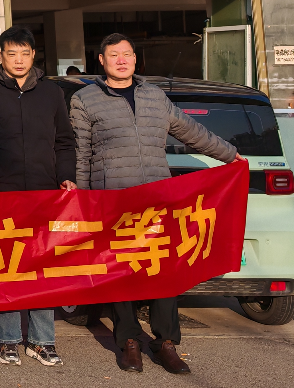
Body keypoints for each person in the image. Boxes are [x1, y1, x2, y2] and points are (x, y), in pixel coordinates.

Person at [70, 33, 242, 375]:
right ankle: (129, 342)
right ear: (101, 60)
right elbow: (81, 153)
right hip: (113, 201)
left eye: (127, 54)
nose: (122, 60)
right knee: (120, 273)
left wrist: (231, 155)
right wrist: (84, 202)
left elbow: (191, 131)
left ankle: (166, 343)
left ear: (136, 59)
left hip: (157, 201)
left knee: (164, 271)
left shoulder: (154, 96)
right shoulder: (84, 99)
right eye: (114, 54)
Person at [0, 26, 76, 368]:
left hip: (45, 194)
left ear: (33, 55)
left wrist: (66, 176)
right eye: (11, 53)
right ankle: (8, 339)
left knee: (43, 266)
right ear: (1, 55)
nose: (19, 60)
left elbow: (64, 141)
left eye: (25, 53)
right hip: (1, 195)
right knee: (8, 267)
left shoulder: (52, 93)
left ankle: (42, 341)